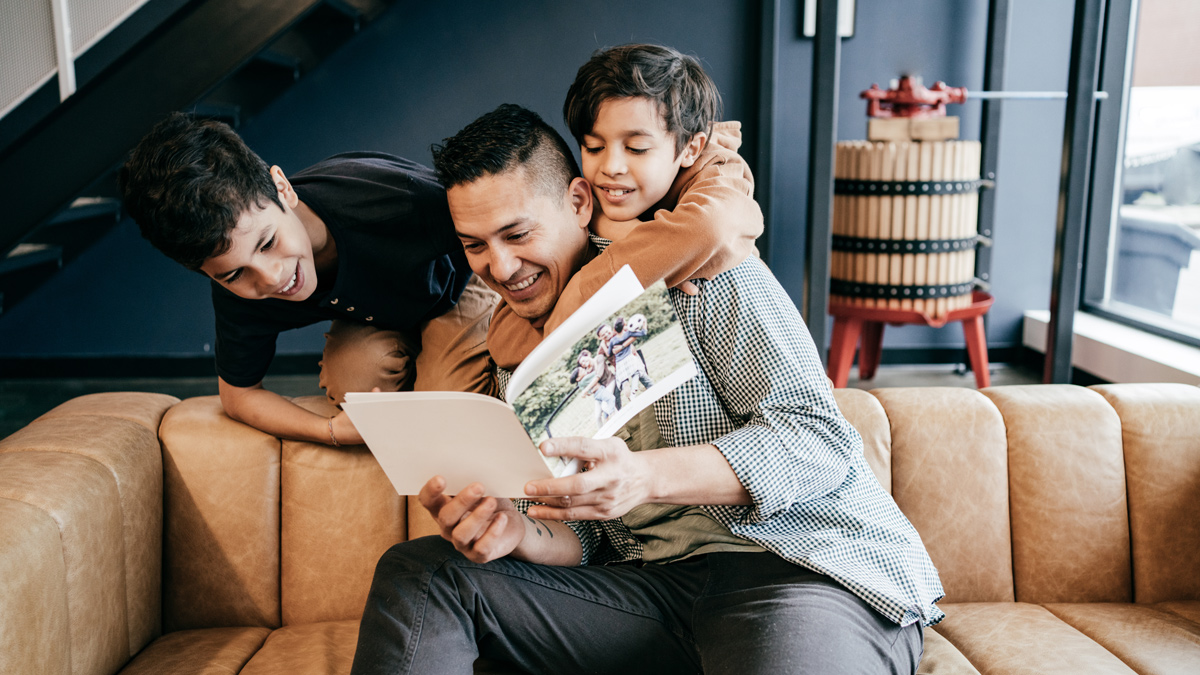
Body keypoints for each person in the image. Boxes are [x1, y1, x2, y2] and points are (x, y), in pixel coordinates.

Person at [350, 104, 943, 675]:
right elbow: (583, 531)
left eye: (517, 234)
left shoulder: (693, 273)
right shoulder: (517, 355)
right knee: (424, 571)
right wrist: (520, 533)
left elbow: (817, 443)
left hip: (794, 569)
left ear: (579, 202)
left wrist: (645, 475)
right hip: (651, 593)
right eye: (476, 245)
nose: (501, 269)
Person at [119, 113, 498, 445]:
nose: (271, 278)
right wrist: (329, 431)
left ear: (282, 189)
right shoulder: (237, 290)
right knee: (354, 378)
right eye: (235, 274)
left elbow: (496, 235)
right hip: (386, 311)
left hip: (460, 280)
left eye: (267, 242)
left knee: (450, 413)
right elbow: (238, 396)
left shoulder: (393, 198)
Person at [485, 43, 764, 371]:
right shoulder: (591, 202)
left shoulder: (718, 171)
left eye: (636, 148)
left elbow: (712, 227)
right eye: (594, 146)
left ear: (691, 147)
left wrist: (585, 289)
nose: (611, 166)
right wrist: (613, 228)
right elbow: (503, 341)